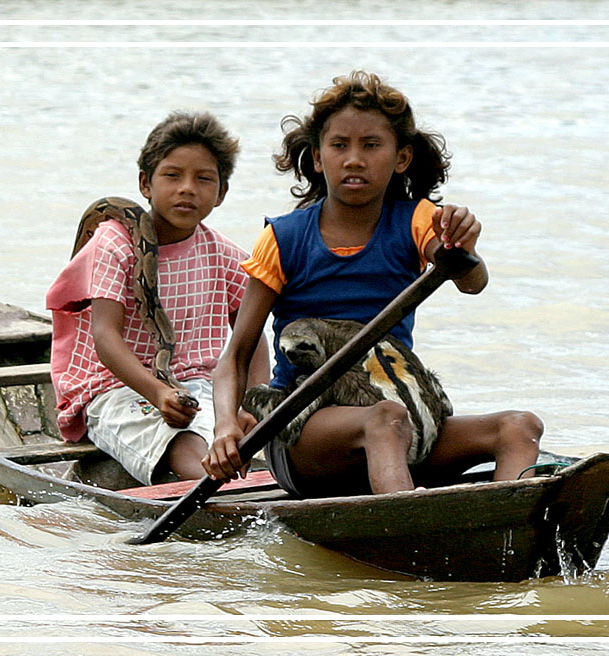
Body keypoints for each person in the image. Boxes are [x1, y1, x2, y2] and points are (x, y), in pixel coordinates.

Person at [203, 71, 543, 498]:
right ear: (317, 157)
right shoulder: (284, 238)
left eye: (371, 145)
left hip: (399, 423)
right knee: (386, 419)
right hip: (305, 436)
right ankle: (411, 529)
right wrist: (225, 427)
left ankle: (507, 520)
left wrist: (463, 248)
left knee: (520, 426)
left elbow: (470, 281)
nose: (354, 160)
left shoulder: (416, 220)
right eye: (339, 145)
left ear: (401, 158)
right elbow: (236, 355)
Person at [46, 111, 269, 486]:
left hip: (196, 383)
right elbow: (105, 338)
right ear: (145, 184)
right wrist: (158, 393)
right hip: (112, 387)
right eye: (172, 175)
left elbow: (253, 335)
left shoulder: (223, 253)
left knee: (231, 437)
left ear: (222, 192)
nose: (187, 188)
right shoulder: (116, 243)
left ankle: (231, 490)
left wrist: (250, 404)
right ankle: (226, 497)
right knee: (182, 446)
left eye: (204, 179)